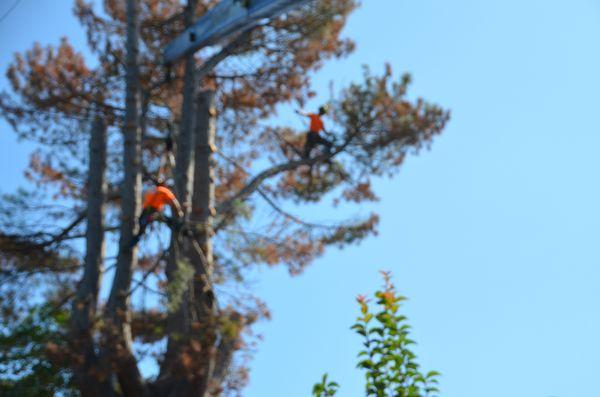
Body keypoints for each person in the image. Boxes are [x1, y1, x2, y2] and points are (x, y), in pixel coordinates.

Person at [130, 179, 183, 247]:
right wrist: (179, 212)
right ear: (164, 184)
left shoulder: (152, 190)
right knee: (168, 221)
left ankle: (133, 241)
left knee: (141, 227)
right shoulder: (163, 190)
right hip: (153, 211)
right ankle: (179, 228)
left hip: (145, 212)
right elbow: (173, 201)